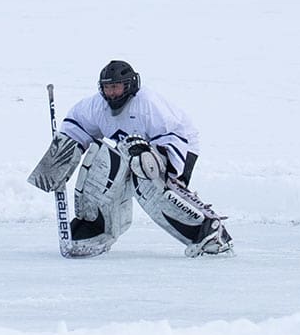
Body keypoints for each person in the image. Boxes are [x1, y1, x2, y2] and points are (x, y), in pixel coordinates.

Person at [25, 59, 233, 258]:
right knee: (102, 160)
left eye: (117, 87)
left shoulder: (147, 104)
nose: (112, 93)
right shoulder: (97, 107)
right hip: (134, 153)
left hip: (181, 146)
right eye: (108, 88)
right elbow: (75, 127)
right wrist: (58, 161)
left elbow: (175, 135)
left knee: (146, 175)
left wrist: (166, 170)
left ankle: (207, 231)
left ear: (130, 85)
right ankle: (95, 227)